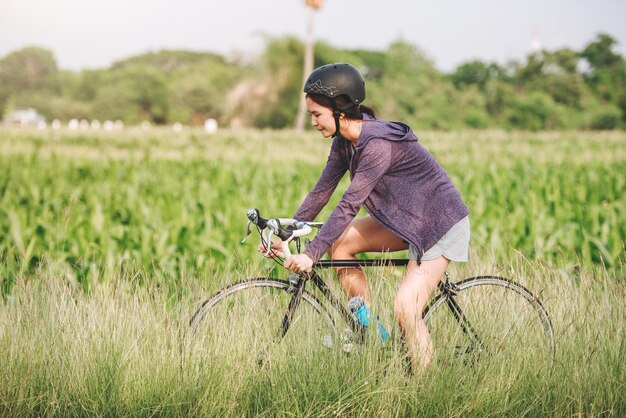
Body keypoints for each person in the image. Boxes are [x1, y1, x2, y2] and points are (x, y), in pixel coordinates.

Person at [263, 62, 470, 370]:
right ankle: (371, 332)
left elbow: (348, 204)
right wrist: (284, 231)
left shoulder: (378, 145)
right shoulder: (344, 142)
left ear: (339, 110)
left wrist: (310, 255)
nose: (314, 122)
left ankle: (425, 392)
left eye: (316, 115)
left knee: (406, 309)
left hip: (438, 224)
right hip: (406, 221)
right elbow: (322, 192)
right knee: (340, 245)